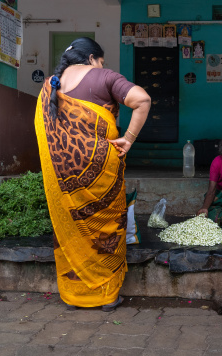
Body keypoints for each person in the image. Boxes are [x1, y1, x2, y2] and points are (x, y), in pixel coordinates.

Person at [34, 37, 151, 311]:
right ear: (91, 59)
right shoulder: (103, 77)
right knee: (105, 231)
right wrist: (129, 138)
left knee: (70, 231)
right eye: (101, 61)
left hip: (62, 177)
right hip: (102, 176)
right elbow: (142, 100)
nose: (101, 66)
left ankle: (74, 295)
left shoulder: (50, 85)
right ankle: (106, 297)